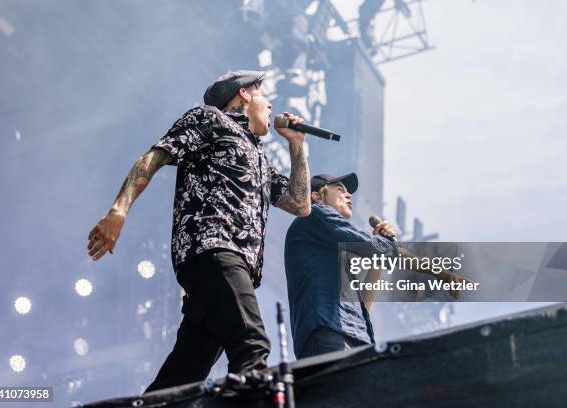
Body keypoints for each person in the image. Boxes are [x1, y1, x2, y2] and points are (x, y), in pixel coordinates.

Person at [87, 70, 311, 392]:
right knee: (251, 346)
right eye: (264, 95)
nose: (271, 105)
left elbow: (299, 204)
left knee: (184, 374)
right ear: (244, 94)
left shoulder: (259, 157)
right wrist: (118, 210)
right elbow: (154, 156)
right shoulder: (210, 119)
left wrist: (297, 144)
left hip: (233, 267)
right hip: (212, 246)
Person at [284, 173, 398, 358]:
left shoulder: (334, 251)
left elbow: (363, 310)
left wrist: (379, 257)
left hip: (356, 339)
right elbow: (378, 248)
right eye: (340, 189)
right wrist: (385, 243)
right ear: (317, 197)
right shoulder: (315, 213)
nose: (348, 195)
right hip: (329, 333)